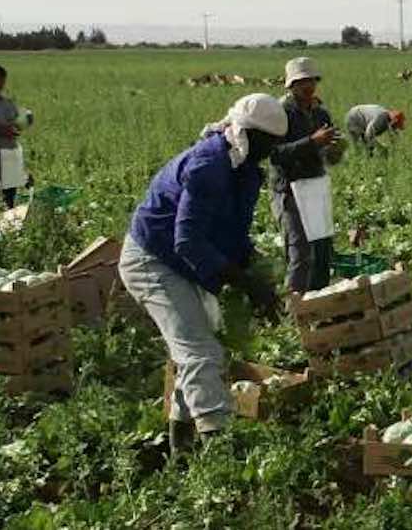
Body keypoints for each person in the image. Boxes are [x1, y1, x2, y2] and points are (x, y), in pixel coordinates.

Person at [118, 94, 287, 453]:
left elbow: (233, 235)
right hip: (152, 261)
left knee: (194, 351)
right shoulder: (209, 165)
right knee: (201, 352)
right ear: (248, 134)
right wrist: (246, 284)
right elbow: (188, 241)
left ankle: (182, 449)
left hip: (180, 263)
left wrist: (255, 274)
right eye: (268, 143)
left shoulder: (243, 172)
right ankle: (219, 453)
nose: (271, 151)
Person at [269, 57, 343, 294]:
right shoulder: (280, 113)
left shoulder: (321, 114)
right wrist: (312, 142)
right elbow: (275, 154)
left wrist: (334, 150)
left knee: (322, 247)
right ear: (290, 85)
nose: (308, 85)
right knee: (300, 251)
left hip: (315, 186)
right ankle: (296, 312)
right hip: (289, 189)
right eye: (301, 81)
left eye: (311, 80)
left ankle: (320, 305)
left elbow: (329, 156)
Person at [0, 65, 29, 210]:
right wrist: (3, 130)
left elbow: (16, 122)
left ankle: (9, 225)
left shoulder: (6, 102)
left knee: (10, 197)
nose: (0, 83)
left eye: (2, 80)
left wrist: (25, 120)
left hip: (11, 151)